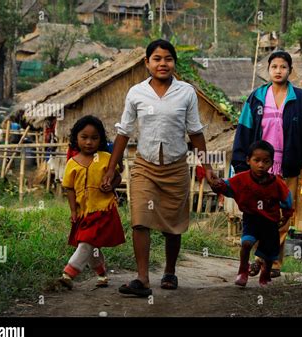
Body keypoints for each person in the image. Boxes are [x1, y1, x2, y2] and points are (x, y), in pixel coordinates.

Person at [102, 39, 215, 297]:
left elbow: (195, 131)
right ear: (147, 63)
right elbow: (124, 132)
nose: (162, 63)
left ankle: (170, 271)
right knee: (140, 219)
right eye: (157, 58)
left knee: (172, 225)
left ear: (174, 63)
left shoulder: (186, 92)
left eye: (168, 58)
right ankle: (142, 279)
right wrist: (112, 167)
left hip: (176, 167)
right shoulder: (136, 93)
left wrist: (206, 167)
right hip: (144, 164)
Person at [232, 50, 302, 278]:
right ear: (268, 70)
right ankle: (266, 260)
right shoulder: (256, 98)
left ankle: (269, 262)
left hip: (288, 165)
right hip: (260, 168)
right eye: (274, 67)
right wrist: (241, 164)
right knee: (261, 213)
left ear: (290, 70)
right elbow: (244, 130)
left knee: (283, 214)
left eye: (283, 67)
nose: (278, 71)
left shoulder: (301, 99)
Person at [211, 140, 293, 287]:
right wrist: (218, 185)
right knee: (247, 243)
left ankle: (265, 275)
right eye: (257, 160)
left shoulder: (277, 183)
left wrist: (286, 215)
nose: (261, 165)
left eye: (266, 161)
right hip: (252, 218)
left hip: (270, 222)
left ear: (271, 163)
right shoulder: (242, 179)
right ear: (248, 160)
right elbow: (228, 186)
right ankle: (243, 270)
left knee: (268, 255)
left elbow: (287, 198)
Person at [58, 116, 125, 290]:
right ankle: (102, 274)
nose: (89, 142)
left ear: (101, 140)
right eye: (84, 137)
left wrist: (111, 185)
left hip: (104, 209)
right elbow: (69, 189)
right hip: (83, 212)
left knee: (86, 241)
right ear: (76, 138)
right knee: (91, 244)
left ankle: (68, 273)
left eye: (94, 138)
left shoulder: (105, 158)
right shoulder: (71, 164)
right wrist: (73, 211)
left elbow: (118, 176)